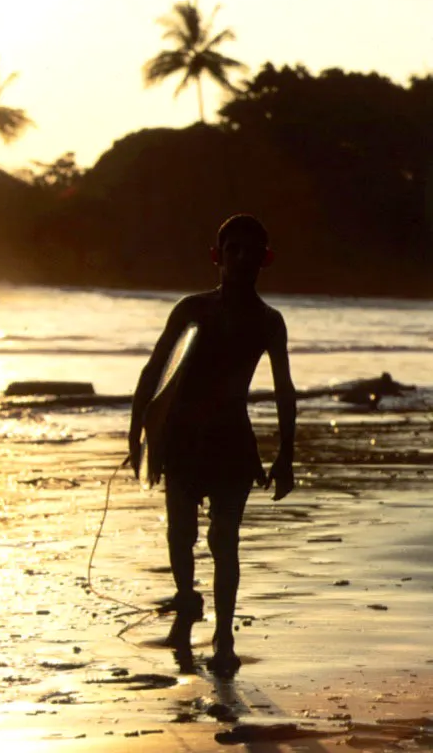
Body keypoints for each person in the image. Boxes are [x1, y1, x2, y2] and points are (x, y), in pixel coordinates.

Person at [128, 214, 296, 676]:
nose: (241, 258)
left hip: (232, 441)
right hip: (181, 438)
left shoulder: (268, 322)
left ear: (267, 259)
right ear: (215, 256)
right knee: (180, 534)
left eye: (251, 251)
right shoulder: (192, 310)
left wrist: (286, 452)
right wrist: (138, 431)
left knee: (224, 539)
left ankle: (224, 635)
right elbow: (154, 371)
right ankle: (187, 597)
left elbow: (284, 388)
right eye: (233, 249)